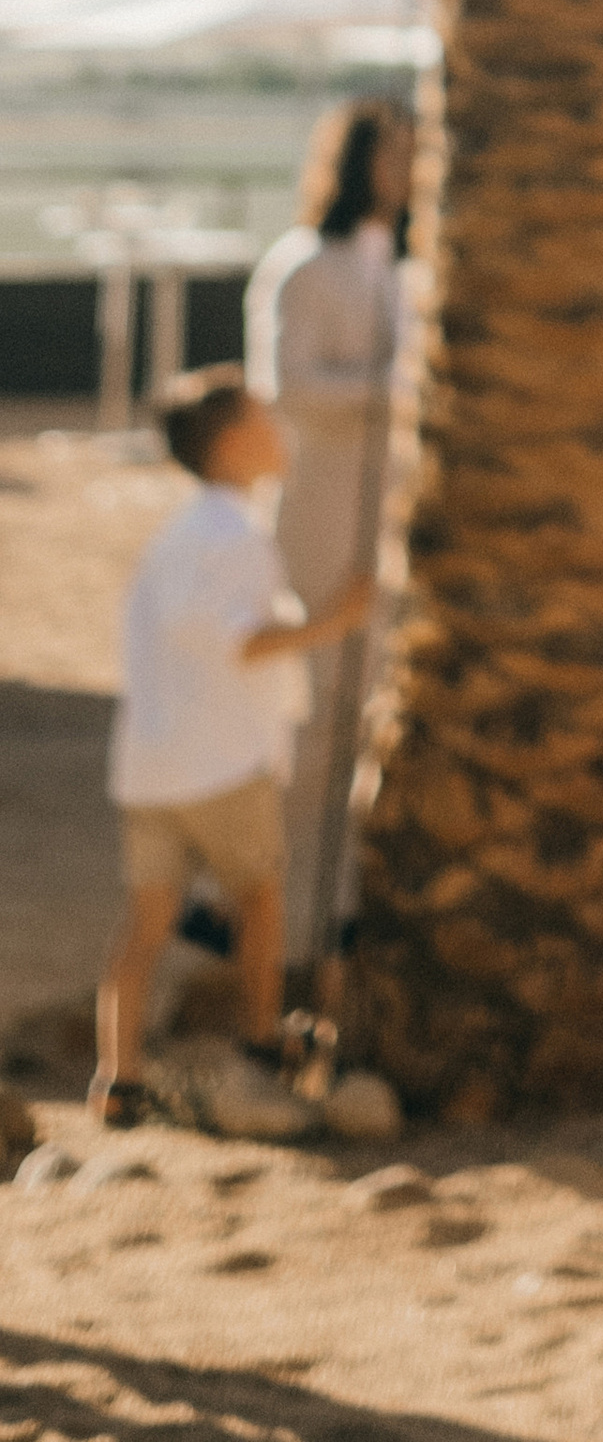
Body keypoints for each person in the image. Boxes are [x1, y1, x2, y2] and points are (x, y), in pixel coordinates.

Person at [93, 366, 370, 1124]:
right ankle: (258, 1046)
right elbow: (241, 641)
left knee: (145, 922)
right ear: (234, 443)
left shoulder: (176, 536)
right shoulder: (235, 534)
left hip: (150, 764)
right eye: (262, 419)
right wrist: (336, 621)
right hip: (221, 760)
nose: (277, 431)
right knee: (261, 901)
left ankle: (119, 1077)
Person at [243, 99, 415, 966]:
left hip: (381, 515)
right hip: (316, 510)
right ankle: (247, 907)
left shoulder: (398, 268)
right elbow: (290, 385)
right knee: (307, 716)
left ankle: (333, 912)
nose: (404, 171)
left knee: (362, 717)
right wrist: (395, 385)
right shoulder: (303, 265)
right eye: (389, 155)